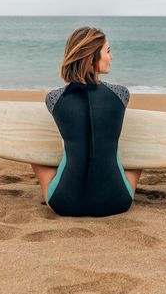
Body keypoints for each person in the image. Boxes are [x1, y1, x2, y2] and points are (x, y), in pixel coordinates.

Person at [30, 26, 141, 217]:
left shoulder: (54, 98)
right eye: (107, 51)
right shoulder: (121, 95)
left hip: (65, 204)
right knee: (135, 161)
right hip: (117, 202)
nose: (111, 56)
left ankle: (55, 189)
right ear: (91, 58)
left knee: (35, 158)